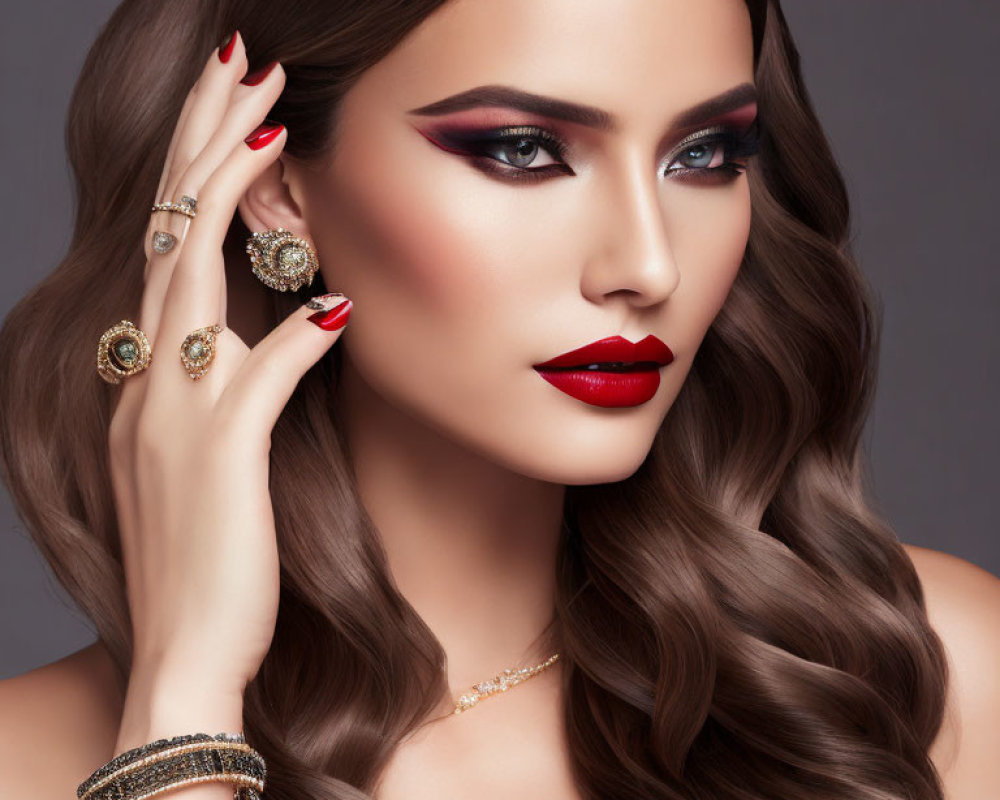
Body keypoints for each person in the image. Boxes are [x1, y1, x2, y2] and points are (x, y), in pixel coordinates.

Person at [0, 0, 997, 798]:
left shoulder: (929, 678)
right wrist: (182, 711)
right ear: (275, 184)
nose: (646, 265)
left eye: (702, 155)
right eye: (522, 148)